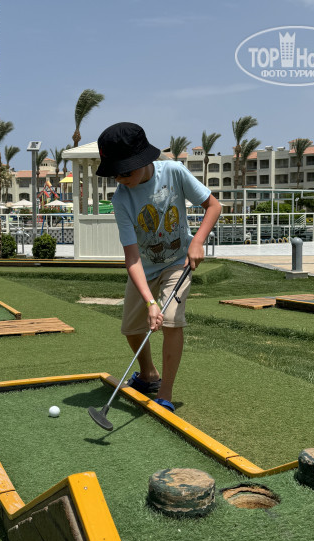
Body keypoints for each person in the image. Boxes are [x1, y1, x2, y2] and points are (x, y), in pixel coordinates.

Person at [96, 122, 221, 412]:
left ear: (143, 160)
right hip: (145, 267)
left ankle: (165, 394)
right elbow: (132, 258)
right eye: (115, 173)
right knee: (131, 329)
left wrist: (197, 241)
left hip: (178, 261)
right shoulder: (121, 199)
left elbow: (214, 206)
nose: (120, 178)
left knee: (172, 319)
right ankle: (149, 375)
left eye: (125, 171)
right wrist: (150, 302)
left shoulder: (174, 172)